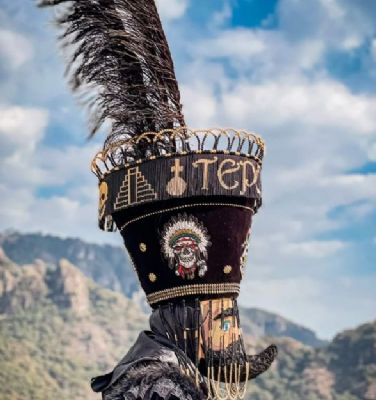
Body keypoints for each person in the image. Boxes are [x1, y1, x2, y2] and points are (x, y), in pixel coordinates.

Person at [39, 0, 277, 398]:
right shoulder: (162, 386)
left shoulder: (156, 373)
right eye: (222, 321)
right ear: (191, 314)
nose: (231, 335)